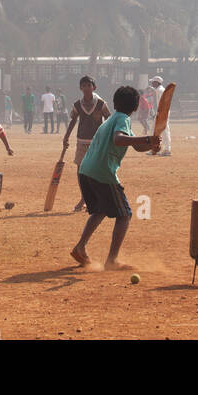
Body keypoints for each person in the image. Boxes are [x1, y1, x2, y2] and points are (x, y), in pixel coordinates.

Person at [70, 85, 160, 270]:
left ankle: (80, 248)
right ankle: (112, 260)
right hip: (103, 172)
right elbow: (119, 139)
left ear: (115, 103)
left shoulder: (113, 118)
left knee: (100, 210)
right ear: (135, 107)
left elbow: (134, 145)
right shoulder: (123, 120)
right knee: (124, 215)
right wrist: (145, 139)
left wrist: (149, 145)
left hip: (86, 170)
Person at [62, 76, 111, 212]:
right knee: (81, 172)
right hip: (81, 141)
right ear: (80, 88)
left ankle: (96, 198)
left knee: (96, 171)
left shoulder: (101, 104)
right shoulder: (77, 104)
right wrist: (66, 137)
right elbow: (73, 121)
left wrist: (107, 134)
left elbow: (108, 118)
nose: (86, 88)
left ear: (94, 87)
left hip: (97, 142)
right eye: (83, 86)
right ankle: (84, 198)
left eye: (88, 85)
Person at [149, 74, 171, 156]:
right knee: (154, 130)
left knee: (164, 131)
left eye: (153, 82)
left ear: (157, 83)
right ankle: (155, 149)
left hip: (163, 112)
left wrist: (160, 113)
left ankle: (166, 150)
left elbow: (164, 103)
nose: (152, 84)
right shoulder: (159, 90)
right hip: (161, 112)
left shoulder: (160, 90)